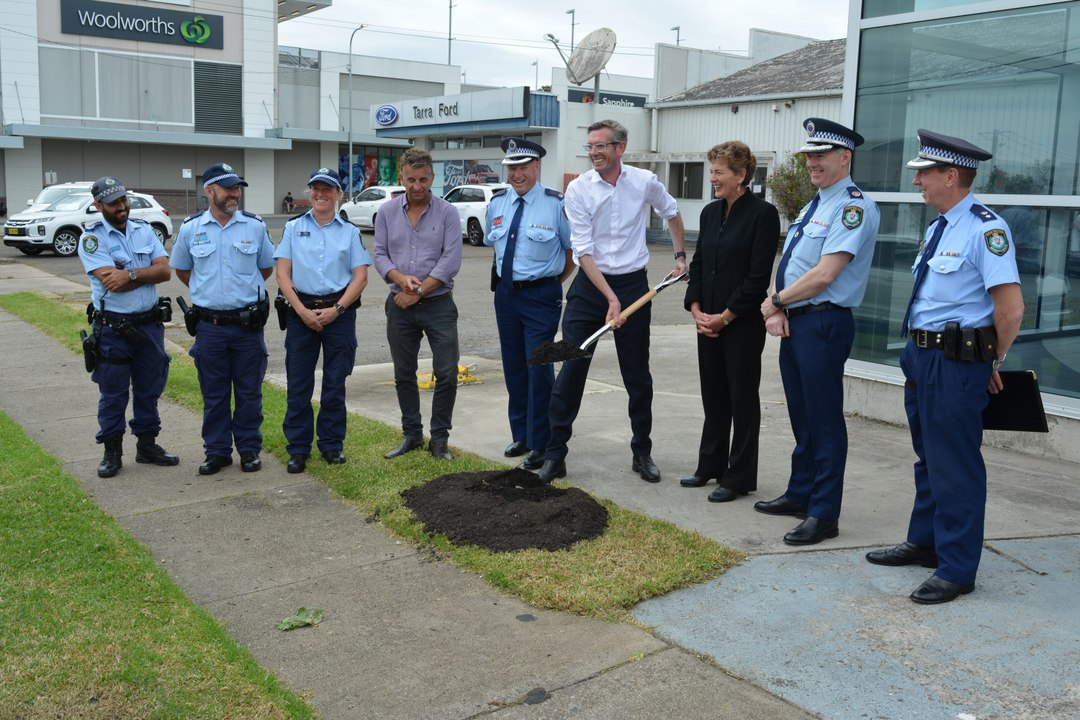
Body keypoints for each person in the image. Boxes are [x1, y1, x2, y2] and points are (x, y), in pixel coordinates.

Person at [867, 130, 1023, 604]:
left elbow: (1010, 309)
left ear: (950, 175)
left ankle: (956, 568)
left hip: (957, 362)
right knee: (928, 457)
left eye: (924, 173)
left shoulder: (985, 229)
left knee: (955, 465)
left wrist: (991, 359)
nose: (917, 182)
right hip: (922, 356)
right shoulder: (939, 227)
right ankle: (926, 542)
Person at [538, 119, 687, 484]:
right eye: (590, 147)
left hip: (634, 285)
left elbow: (672, 212)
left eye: (601, 146)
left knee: (637, 375)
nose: (594, 153)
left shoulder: (644, 181)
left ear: (620, 147)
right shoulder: (578, 191)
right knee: (570, 370)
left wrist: (681, 257)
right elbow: (584, 252)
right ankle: (555, 455)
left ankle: (642, 452)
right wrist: (609, 298)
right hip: (591, 289)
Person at [756, 118, 880, 545]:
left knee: (824, 420)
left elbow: (826, 275)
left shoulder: (853, 205)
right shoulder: (817, 203)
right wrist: (777, 304)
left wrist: (776, 302)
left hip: (824, 321)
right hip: (797, 320)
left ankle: (824, 513)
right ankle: (801, 493)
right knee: (801, 415)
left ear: (844, 158)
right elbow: (791, 260)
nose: (812, 162)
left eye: (820, 155)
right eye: (809, 155)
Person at [680, 141, 780, 503]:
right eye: (712, 171)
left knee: (741, 399)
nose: (713, 178)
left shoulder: (763, 215)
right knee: (714, 395)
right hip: (707, 320)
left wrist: (725, 317)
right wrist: (695, 307)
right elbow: (699, 264)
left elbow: (757, 278)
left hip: (741, 324)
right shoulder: (709, 213)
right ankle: (710, 465)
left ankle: (737, 477)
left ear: (741, 176)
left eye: (719, 172)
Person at [170, 163, 276, 476]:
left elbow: (266, 268)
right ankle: (217, 452)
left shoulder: (254, 226)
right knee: (214, 395)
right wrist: (211, 294)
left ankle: (248, 450)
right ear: (209, 191)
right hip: (210, 328)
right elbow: (183, 270)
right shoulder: (191, 228)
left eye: (237, 188)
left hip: (247, 328)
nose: (234, 194)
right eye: (228, 188)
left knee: (249, 393)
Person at [78, 176, 178, 478]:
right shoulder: (91, 239)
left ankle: (147, 445)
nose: (122, 207)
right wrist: (144, 273)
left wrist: (131, 275)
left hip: (148, 326)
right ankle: (112, 451)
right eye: (113, 203)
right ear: (98, 206)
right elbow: (112, 282)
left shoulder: (144, 230)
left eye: (124, 200)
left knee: (149, 389)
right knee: (114, 393)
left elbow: (164, 272)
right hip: (113, 330)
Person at [274, 168, 371, 473]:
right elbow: (282, 274)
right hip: (300, 313)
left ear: (338, 195)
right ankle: (298, 449)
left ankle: (331, 445)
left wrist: (337, 310)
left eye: (327, 189)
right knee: (298, 384)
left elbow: (360, 276)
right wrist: (301, 310)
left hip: (338, 315)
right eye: (316, 188)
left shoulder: (350, 231)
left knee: (334, 383)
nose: (320, 194)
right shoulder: (293, 228)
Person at [485, 138, 574, 470]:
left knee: (538, 368)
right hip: (505, 295)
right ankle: (521, 433)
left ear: (537, 166)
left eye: (523, 167)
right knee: (514, 366)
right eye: (512, 168)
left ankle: (542, 442)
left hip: (541, 296)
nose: (517, 174)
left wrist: (547, 284)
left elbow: (571, 254)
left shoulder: (555, 204)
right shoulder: (497, 203)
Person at [373, 147, 462, 461]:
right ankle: (411, 434)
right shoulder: (385, 213)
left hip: (438, 304)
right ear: (402, 177)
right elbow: (380, 254)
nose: (417, 186)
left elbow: (451, 260)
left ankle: (439, 440)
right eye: (411, 179)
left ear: (432, 178)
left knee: (447, 373)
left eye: (423, 179)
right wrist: (399, 278)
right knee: (403, 373)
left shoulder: (448, 212)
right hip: (399, 304)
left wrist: (418, 291)